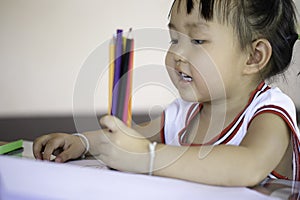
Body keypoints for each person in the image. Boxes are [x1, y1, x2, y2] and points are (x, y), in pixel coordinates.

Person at [33, 0, 300, 187]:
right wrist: (83, 143)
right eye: (174, 39)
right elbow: (129, 139)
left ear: (254, 56)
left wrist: (148, 157)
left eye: (197, 41)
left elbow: (248, 167)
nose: (177, 54)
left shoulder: (270, 112)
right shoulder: (182, 114)